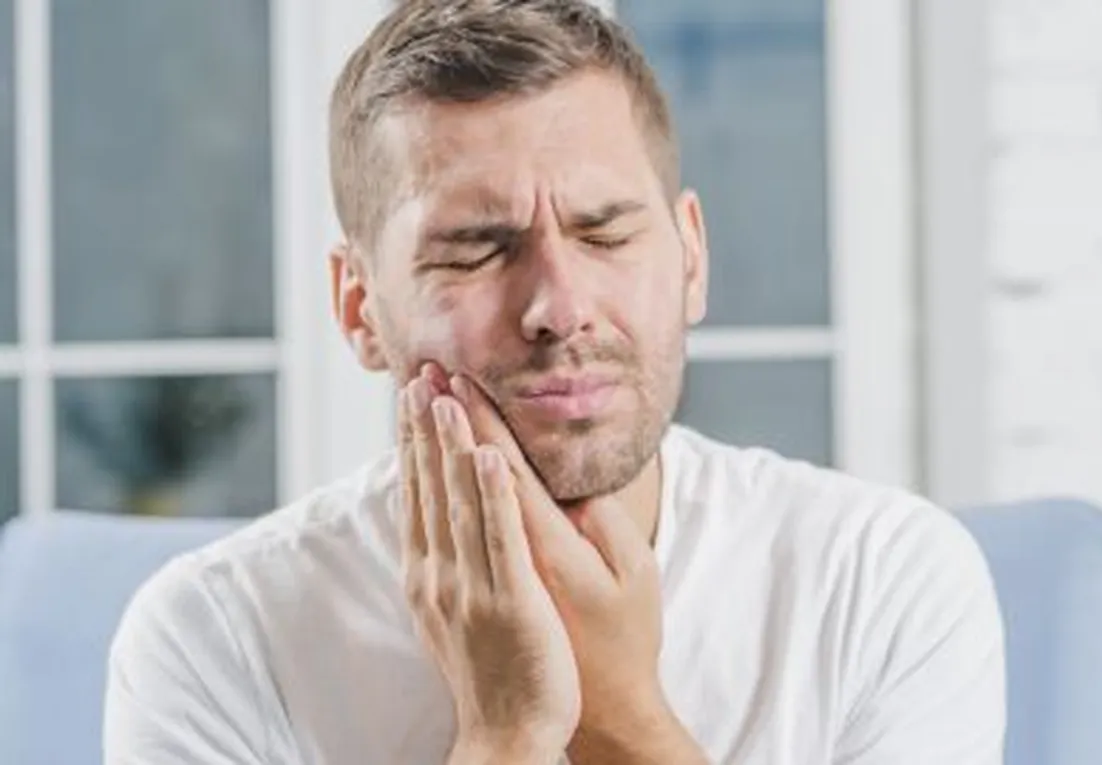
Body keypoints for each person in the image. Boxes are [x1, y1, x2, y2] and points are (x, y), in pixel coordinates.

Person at [102, 1, 1006, 763]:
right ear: (359, 307)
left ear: (691, 258)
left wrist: (620, 712)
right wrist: (506, 732)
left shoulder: (880, 580)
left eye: (606, 234)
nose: (560, 307)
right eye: (475, 250)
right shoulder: (214, 639)